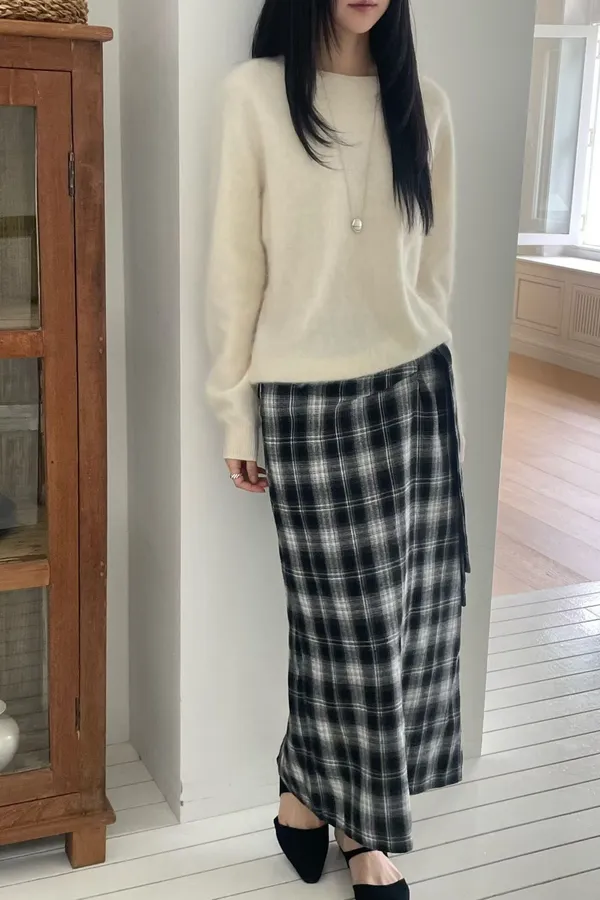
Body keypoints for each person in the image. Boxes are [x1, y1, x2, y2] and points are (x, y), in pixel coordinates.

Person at [206, 1, 470, 897]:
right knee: (341, 631)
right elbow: (235, 268)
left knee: (404, 625)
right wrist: (234, 411)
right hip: (305, 401)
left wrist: (444, 396)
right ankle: (358, 825)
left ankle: (316, 799)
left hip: (413, 393)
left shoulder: (425, 103)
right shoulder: (254, 96)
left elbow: (435, 270)